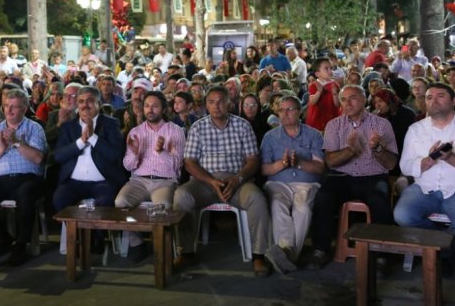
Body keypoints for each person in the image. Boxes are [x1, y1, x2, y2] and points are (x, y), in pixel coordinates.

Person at [173, 86, 271, 277]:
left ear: (229, 103)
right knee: (181, 196)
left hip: (237, 180)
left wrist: (238, 178)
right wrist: (211, 181)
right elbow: (190, 162)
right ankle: (186, 252)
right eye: (211, 102)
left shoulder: (242, 125)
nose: (216, 106)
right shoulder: (198, 127)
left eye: (220, 101)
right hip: (205, 181)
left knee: (257, 199)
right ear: (206, 105)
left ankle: (259, 255)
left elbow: (253, 159)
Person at [306, 85, 398, 270]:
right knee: (323, 198)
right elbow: (330, 162)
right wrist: (351, 151)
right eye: (343, 99)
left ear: (364, 100)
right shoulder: (334, 125)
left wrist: (377, 149)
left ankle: (382, 255)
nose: (347, 103)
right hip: (342, 176)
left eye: (353, 98)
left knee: (379, 200)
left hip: (373, 176)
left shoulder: (381, 124)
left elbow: (391, 164)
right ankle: (320, 250)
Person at [0, 89, 47, 266]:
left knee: (25, 194)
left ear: (24, 109)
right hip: (1, 180)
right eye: (6, 106)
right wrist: (2, 149)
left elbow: (38, 158)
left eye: (14, 107)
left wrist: (17, 142)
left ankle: (21, 243)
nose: (9, 110)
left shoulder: (34, 128)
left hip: (28, 178)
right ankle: (3, 236)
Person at [115, 91, 185, 262]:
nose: (150, 109)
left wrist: (161, 152)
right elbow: (128, 166)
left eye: (155, 106)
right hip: (139, 180)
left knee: (164, 205)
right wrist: (134, 152)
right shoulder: (135, 132)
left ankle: (161, 244)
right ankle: (137, 242)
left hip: (165, 181)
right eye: (147, 106)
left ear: (163, 109)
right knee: (120, 203)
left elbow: (177, 166)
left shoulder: (175, 131)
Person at [53, 86, 126, 251]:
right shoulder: (68, 127)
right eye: (81, 101)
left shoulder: (111, 124)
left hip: (103, 181)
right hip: (73, 182)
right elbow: (58, 156)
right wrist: (80, 142)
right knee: (60, 199)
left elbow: (115, 155)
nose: (85, 105)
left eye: (90, 101)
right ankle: (77, 236)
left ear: (99, 103)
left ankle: (96, 237)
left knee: (105, 201)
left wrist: (93, 137)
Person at [260, 95, 324, 274]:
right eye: (281, 110)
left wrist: (299, 163)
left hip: (306, 184)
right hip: (278, 183)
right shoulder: (270, 137)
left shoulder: (314, 134)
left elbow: (319, 167)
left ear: (300, 112)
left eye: (289, 109)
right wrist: (282, 164)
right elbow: (264, 169)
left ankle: (285, 254)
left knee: (302, 209)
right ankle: (289, 253)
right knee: (278, 205)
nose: (285, 114)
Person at [394, 83, 455, 232]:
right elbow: (405, 166)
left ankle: (445, 249)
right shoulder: (416, 129)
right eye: (429, 97)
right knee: (403, 216)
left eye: (440, 96)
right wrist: (427, 161)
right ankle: (439, 241)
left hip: (454, 189)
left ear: (454, 101)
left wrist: (450, 158)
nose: (434, 101)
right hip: (424, 188)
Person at [306, 57, 341, 132]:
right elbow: (312, 102)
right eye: (326, 68)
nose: (330, 71)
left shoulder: (335, 84)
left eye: (331, 68)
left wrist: (335, 94)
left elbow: (337, 104)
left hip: (331, 116)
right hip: (317, 118)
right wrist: (319, 92)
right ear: (317, 73)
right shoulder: (314, 85)